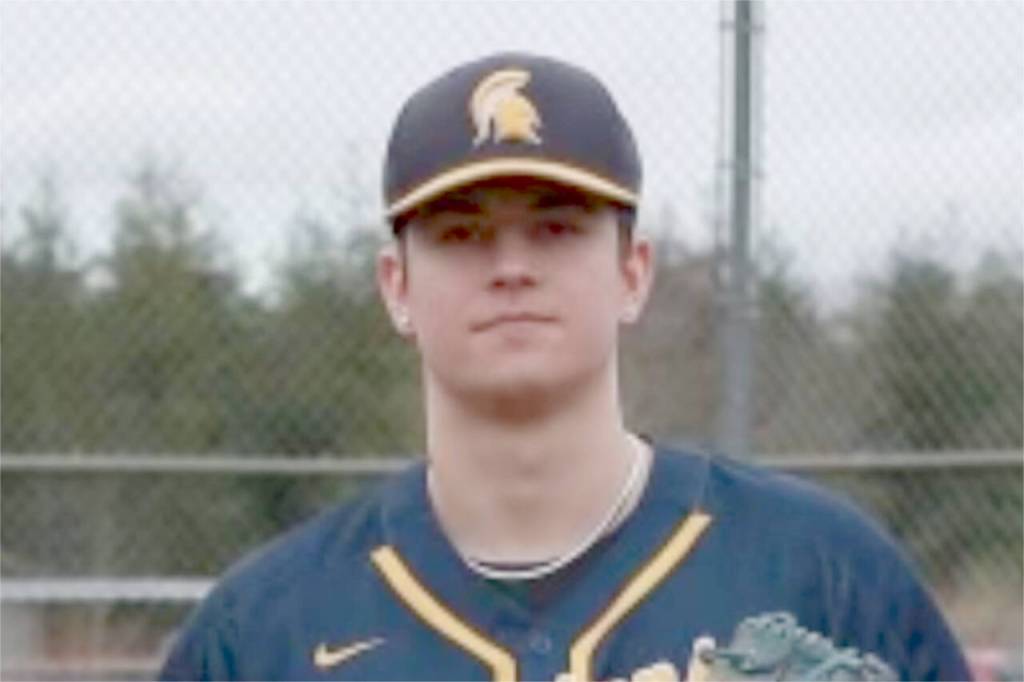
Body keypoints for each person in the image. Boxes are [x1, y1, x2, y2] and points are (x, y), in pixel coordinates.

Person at [159, 52, 970, 681]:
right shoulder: (263, 630)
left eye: (555, 229)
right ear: (396, 286)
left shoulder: (822, 576)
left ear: (633, 272)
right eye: (462, 234)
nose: (511, 267)